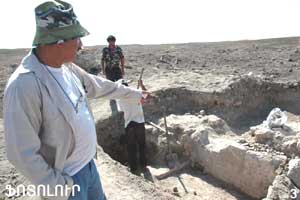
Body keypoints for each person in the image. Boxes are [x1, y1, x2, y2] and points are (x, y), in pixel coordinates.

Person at [3, 1, 147, 200]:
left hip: (89, 168)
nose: (81, 45)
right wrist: (60, 188)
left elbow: (100, 86)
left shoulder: (68, 68)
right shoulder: (24, 85)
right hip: (67, 182)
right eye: (77, 38)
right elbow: (21, 153)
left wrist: (136, 94)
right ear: (58, 42)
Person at [116, 79, 148, 175]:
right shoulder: (135, 93)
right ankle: (144, 165)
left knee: (131, 147)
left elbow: (120, 110)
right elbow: (146, 96)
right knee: (142, 145)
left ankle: (134, 169)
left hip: (129, 124)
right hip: (139, 122)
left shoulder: (118, 98)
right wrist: (141, 86)